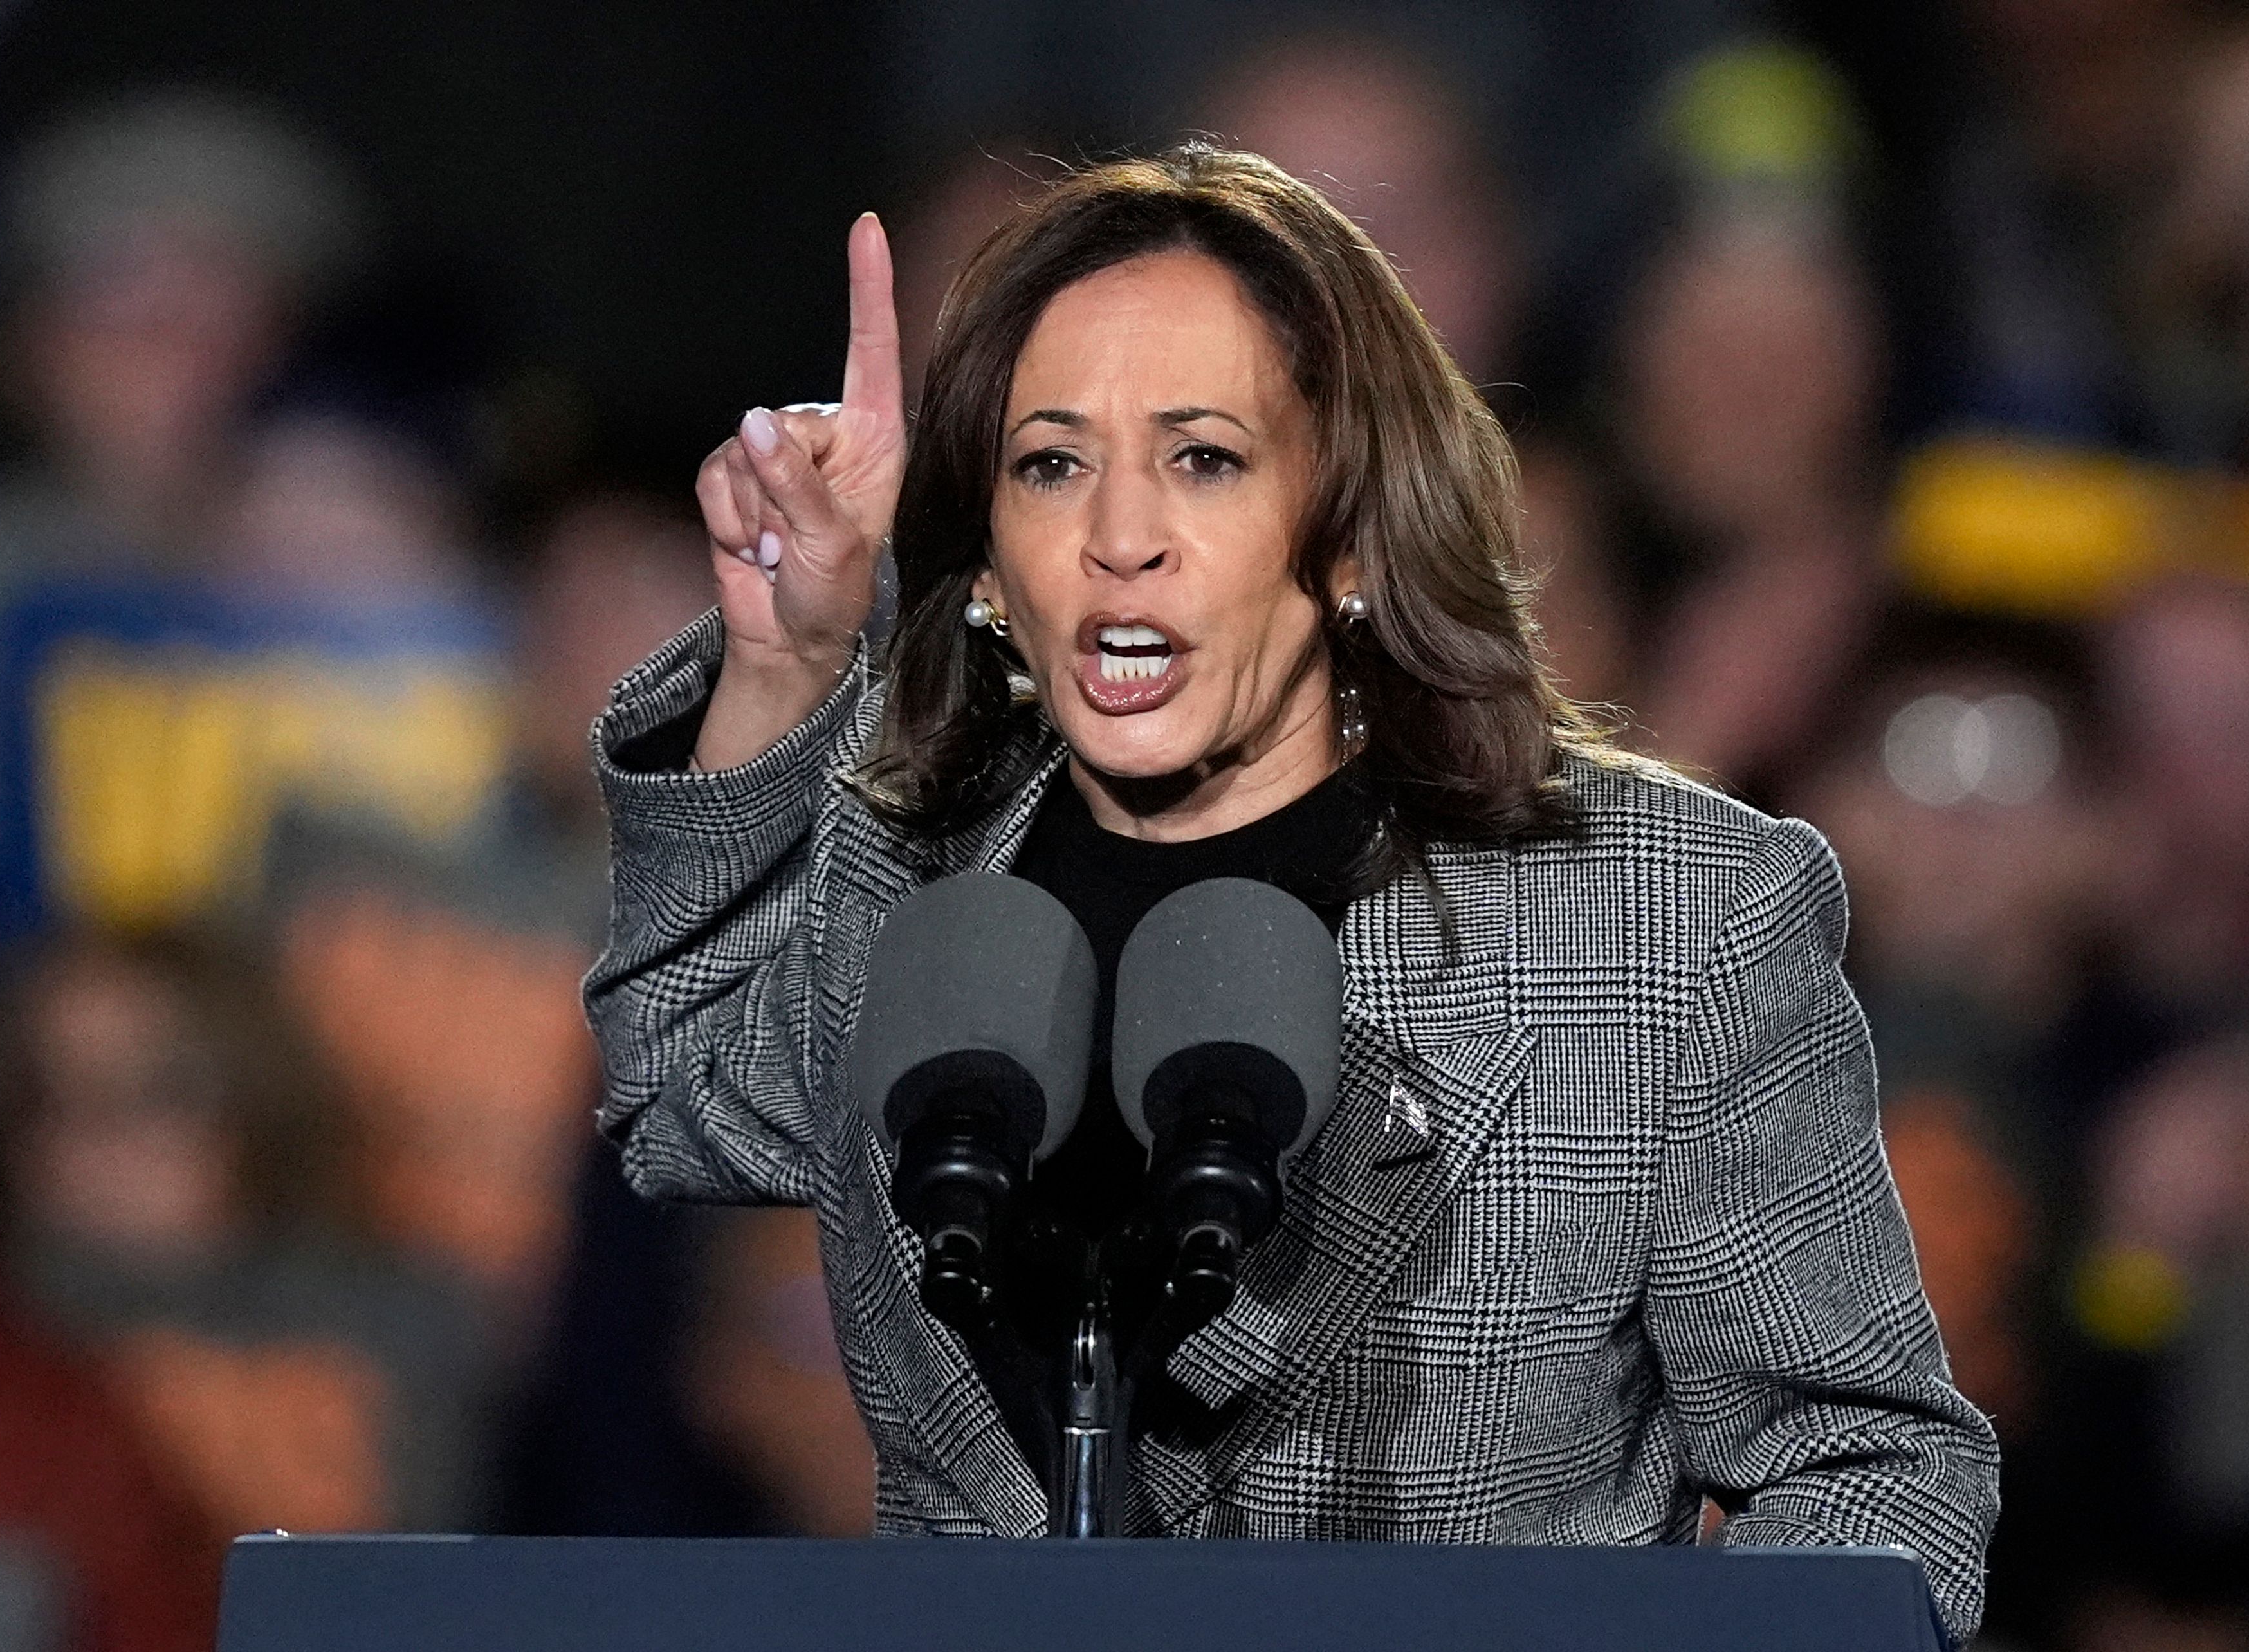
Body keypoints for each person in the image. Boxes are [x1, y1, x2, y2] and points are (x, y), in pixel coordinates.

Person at [585, 146, 1999, 1641]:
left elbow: (1868, 1469)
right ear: (992, 562)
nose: (1120, 536)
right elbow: (677, 1101)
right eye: (1050, 463)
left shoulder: (1668, 921)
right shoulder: (917, 878)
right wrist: (788, 662)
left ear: (1342, 533)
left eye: (1205, 457)